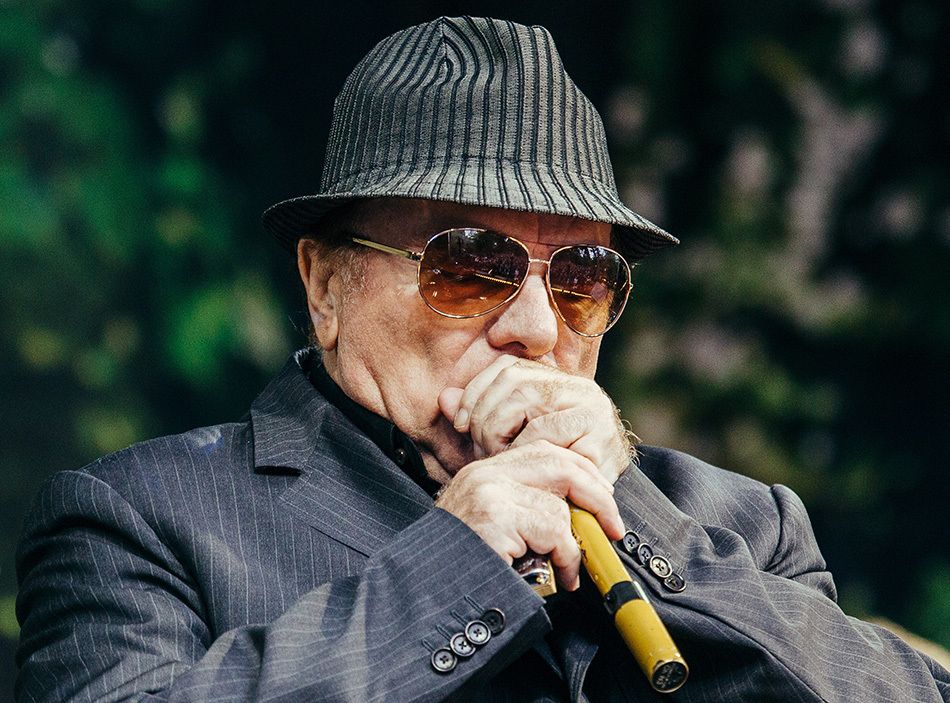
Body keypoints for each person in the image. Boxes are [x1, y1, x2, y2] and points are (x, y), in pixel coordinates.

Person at [14, 16, 949, 703]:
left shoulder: (743, 526)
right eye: (469, 265)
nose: (538, 328)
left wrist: (637, 523)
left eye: (582, 276)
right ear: (326, 285)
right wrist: (448, 568)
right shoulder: (137, 519)